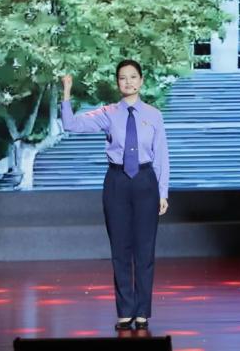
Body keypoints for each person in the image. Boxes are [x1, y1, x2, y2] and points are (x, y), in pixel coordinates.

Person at [61, 60, 169, 331]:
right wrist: (66, 92)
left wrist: (162, 192)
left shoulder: (154, 115)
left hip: (145, 181)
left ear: (141, 80)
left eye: (133, 77)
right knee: (120, 250)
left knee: (145, 250)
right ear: (117, 82)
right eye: (123, 78)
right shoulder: (108, 113)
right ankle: (125, 311)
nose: (128, 82)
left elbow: (161, 156)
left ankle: (142, 311)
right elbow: (71, 125)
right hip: (117, 182)